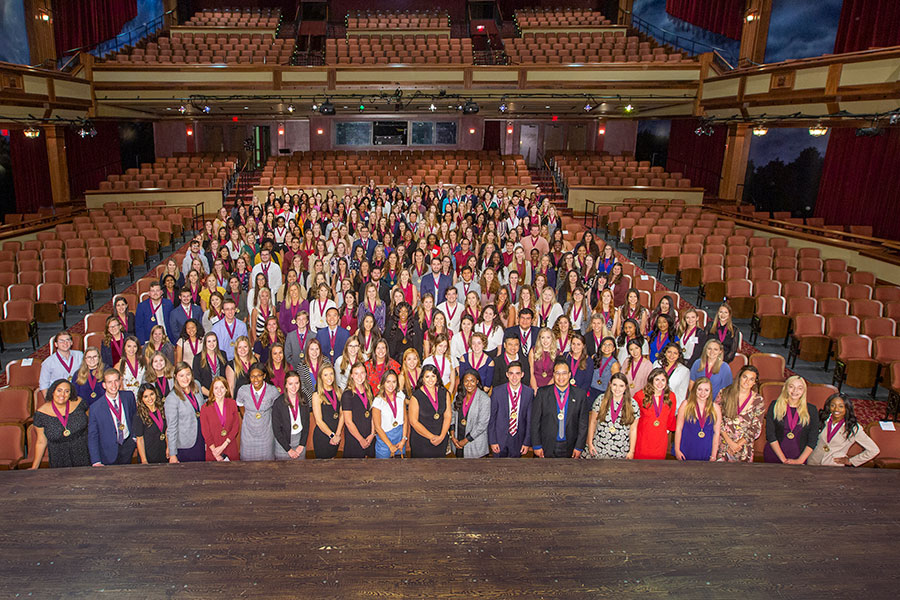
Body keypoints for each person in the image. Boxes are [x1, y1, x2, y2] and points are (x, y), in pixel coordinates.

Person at [531, 358, 590, 458]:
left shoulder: (580, 395)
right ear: (553, 375)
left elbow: (583, 424)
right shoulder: (542, 393)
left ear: (569, 375)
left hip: (570, 446)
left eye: (564, 373)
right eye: (557, 373)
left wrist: (579, 447)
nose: (561, 377)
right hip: (546, 445)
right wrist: (536, 445)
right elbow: (535, 421)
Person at [30, 379, 90, 468]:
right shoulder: (41, 414)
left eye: (67, 391)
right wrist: (34, 467)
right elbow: (41, 442)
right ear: (52, 391)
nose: (62, 395)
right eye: (59, 390)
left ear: (70, 394)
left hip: (83, 452)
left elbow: (89, 424)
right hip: (59, 457)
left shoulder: (80, 403)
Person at [809, 394, 880, 467]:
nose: (836, 409)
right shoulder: (820, 419)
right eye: (833, 405)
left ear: (847, 408)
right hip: (813, 461)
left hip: (833, 466)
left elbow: (874, 450)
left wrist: (851, 461)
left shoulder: (853, 427)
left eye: (841, 406)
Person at [764, 375, 820, 464]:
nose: (795, 391)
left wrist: (800, 461)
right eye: (791, 387)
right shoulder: (775, 405)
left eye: (800, 388)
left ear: (804, 391)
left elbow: (813, 439)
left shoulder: (812, 410)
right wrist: (784, 460)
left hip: (799, 457)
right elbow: (770, 435)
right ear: (786, 388)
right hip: (775, 455)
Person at [88, 368, 138, 466]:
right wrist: (96, 461)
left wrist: (134, 437)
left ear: (120, 382)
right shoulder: (95, 408)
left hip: (128, 446)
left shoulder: (129, 396)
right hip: (107, 451)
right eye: (109, 382)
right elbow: (93, 435)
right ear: (104, 385)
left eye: (116, 381)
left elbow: (134, 417)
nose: (113, 385)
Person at [715, 365, 765, 462]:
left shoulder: (758, 400)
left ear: (755, 382)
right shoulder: (724, 393)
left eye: (751, 379)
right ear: (739, 377)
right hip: (723, 444)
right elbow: (717, 419)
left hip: (743, 447)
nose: (747, 381)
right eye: (745, 377)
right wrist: (730, 443)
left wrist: (738, 444)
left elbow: (756, 428)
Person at [584, 373, 639, 459]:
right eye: (614, 385)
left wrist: (631, 451)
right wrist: (590, 443)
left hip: (621, 450)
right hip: (599, 448)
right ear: (610, 385)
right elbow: (593, 422)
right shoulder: (601, 399)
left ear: (626, 387)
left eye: (621, 386)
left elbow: (633, 430)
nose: (617, 389)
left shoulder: (633, 404)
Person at [488, 361, 533, 457]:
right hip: (499, 439)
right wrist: (492, 440)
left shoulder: (529, 393)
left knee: (515, 469)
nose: (514, 377)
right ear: (507, 374)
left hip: (518, 439)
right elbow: (492, 418)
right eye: (511, 373)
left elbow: (529, 420)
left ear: (522, 375)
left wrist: (526, 442)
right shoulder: (497, 392)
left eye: (517, 373)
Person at [164, 361, 206, 463]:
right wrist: (173, 454)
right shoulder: (172, 398)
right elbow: (171, 428)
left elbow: (202, 406)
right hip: (185, 443)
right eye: (181, 375)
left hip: (200, 437)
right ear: (175, 377)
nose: (185, 378)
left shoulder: (197, 385)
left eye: (188, 374)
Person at [633, 368, 677, 460]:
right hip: (643, 439)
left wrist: (667, 429)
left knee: (657, 467)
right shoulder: (640, 396)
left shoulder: (671, 396)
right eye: (657, 379)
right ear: (651, 380)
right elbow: (633, 419)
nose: (660, 383)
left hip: (660, 439)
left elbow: (671, 417)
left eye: (663, 380)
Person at [408, 363, 451, 458]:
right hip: (422, 440)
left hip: (441, 438)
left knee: (439, 469)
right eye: (427, 376)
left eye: (433, 376)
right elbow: (413, 422)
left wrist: (442, 436)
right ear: (422, 378)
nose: (430, 380)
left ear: (437, 377)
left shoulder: (444, 392)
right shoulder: (416, 396)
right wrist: (432, 437)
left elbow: (447, 416)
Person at [675, 377, 721, 461]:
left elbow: (717, 433)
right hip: (686, 448)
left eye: (706, 390)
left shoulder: (716, 408)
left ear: (710, 392)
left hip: (706, 450)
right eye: (699, 389)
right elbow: (678, 428)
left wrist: (714, 455)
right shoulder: (686, 404)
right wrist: (677, 450)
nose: (702, 393)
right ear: (695, 389)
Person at [199, 376, 241, 461]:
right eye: (216, 388)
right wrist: (215, 452)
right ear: (212, 390)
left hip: (230, 446)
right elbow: (205, 432)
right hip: (213, 450)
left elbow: (235, 427)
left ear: (226, 389)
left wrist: (223, 446)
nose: (219, 391)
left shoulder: (232, 404)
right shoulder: (205, 408)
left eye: (222, 387)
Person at [451, 371, 491, 458]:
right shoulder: (459, 394)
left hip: (474, 444)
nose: (469, 384)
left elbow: (482, 425)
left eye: (472, 381)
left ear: (477, 381)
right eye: (466, 381)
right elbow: (452, 414)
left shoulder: (484, 399)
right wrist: (452, 435)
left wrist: (465, 441)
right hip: (457, 440)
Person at [272, 371, 310, 461]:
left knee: (300, 471)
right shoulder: (278, 403)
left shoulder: (304, 398)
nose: (294, 387)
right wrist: (288, 449)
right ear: (285, 385)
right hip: (283, 444)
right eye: (290, 384)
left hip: (299, 441)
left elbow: (307, 423)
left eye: (296, 383)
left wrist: (302, 444)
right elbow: (276, 429)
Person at [340, 363, 376, 458]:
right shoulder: (347, 394)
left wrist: (372, 434)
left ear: (366, 374)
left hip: (369, 436)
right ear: (351, 375)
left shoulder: (369, 390)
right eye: (356, 373)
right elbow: (348, 422)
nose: (359, 376)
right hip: (355, 438)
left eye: (362, 373)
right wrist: (361, 440)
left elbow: (373, 415)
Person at [372, 370, 408, 458]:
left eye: (394, 382)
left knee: (400, 468)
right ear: (383, 383)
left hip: (399, 436)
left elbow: (405, 419)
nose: (391, 385)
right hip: (384, 439)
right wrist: (390, 445)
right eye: (388, 382)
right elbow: (377, 427)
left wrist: (404, 439)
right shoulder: (378, 401)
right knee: (383, 469)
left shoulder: (400, 395)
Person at [311, 364, 344, 459]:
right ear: (320, 377)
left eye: (331, 374)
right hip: (323, 435)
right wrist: (332, 435)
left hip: (336, 434)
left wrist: (337, 434)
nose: (329, 377)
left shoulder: (339, 391)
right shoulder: (317, 395)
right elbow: (318, 421)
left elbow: (342, 415)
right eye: (325, 375)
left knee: (333, 462)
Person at [132, 383, 168, 464]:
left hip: (163, 451)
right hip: (149, 454)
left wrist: (169, 447)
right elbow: (140, 440)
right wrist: (144, 460)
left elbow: (166, 431)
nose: (150, 398)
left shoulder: (162, 409)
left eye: (151, 394)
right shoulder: (139, 416)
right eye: (145, 396)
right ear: (141, 399)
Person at [653, 343, 690, 409]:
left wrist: (676, 409)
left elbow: (682, 394)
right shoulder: (656, 364)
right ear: (665, 353)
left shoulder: (684, 371)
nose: (672, 355)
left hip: (670, 405)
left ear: (679, 355)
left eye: (675, 353)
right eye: (669, 352)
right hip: (654, 402)